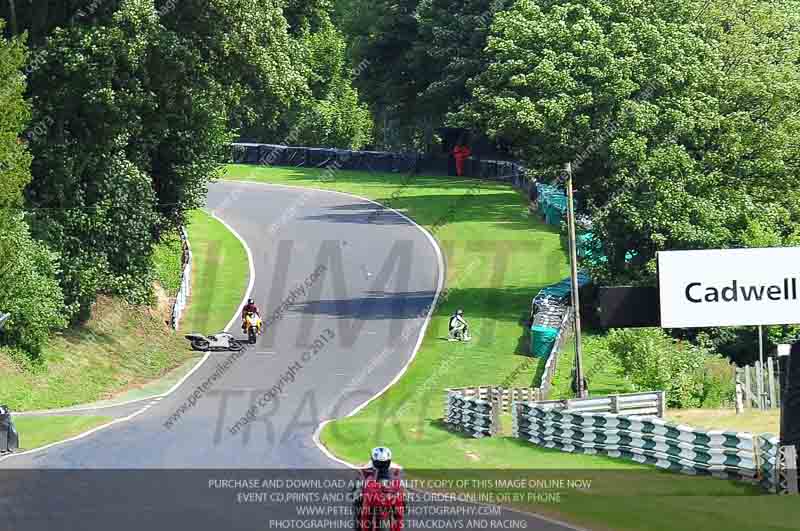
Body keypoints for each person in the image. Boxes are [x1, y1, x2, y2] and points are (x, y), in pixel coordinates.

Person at [353, 447, 404, 531]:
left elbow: (399, 476)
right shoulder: (365, 468)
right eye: (379, 462)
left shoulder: (396, 468)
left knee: (402, 502)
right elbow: (360, 475)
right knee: (358, 501)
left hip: (387, 493)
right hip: (372, 492)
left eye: (384, 462)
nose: (381, 464)